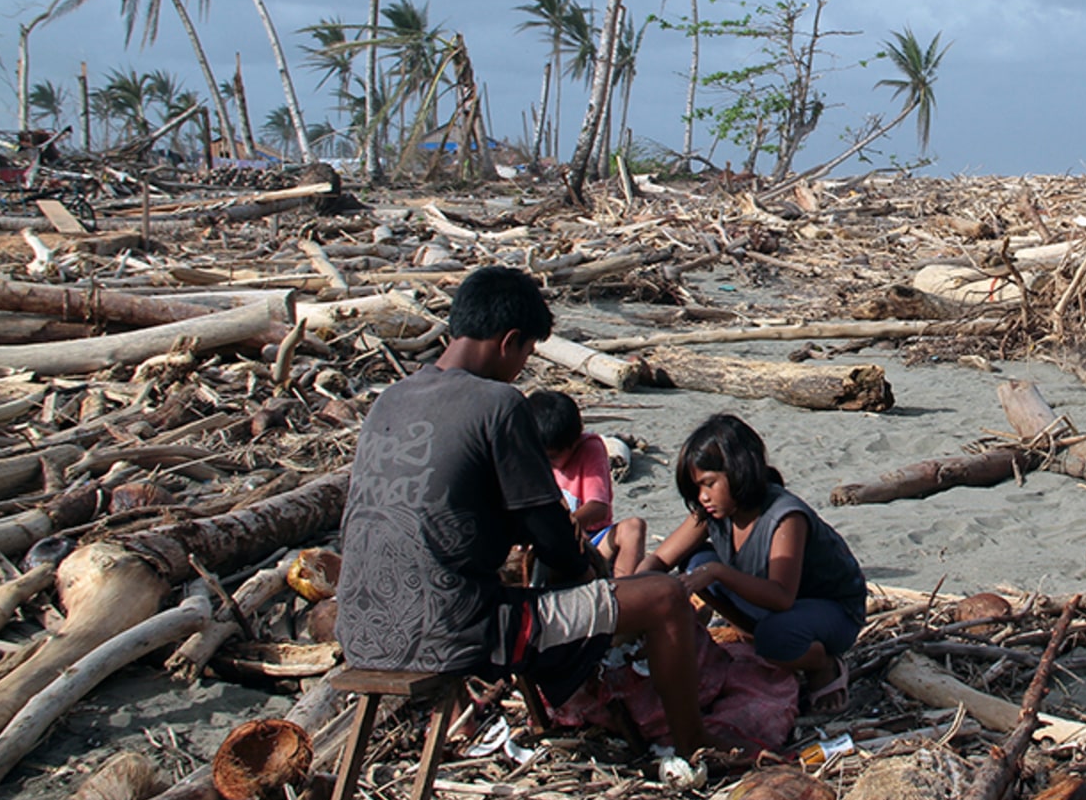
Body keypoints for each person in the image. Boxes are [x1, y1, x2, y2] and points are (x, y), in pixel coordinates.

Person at [335, 265, 717, 761]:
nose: (523, 367)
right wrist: (593, 573)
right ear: (509, 341)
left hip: (360, 630)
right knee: (663, 597)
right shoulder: (498, 403)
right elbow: (551, 533)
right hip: (457, 631)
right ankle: (696, 751)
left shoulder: (390, 400)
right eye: (528, 353)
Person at [631, 413, 868, 711]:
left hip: (831, 610)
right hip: (775, 608)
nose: (703, 496)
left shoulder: (784, 517)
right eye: (697, 488)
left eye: (709, 484)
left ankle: (822, 664)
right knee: (694, 562)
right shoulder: (713, 511)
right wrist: (631, 591)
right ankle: (755, 635)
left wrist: (718, 572)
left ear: (738, 471)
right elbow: (661, 557)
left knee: (773, 635)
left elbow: (781, 597)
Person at [525, 389, 614, 552]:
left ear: (575, 442)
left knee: (633, 528)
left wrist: (567, 526)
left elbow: (599, 507)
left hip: (592, 535)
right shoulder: (529, 454)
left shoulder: (590, 448)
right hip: (546, 539)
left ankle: (623, 578)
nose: (549, 463)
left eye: (554, 457)